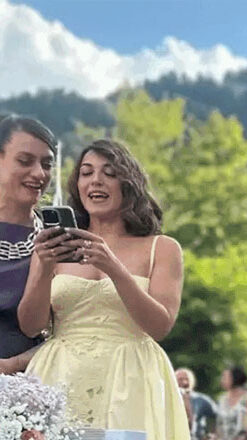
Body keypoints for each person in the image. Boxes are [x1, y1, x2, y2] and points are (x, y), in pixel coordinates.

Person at [18, 139, 189, 439]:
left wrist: (114, 268)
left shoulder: (162, 248)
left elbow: (160, 326)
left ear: (129, 184)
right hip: (60, 376)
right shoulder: (53, 246)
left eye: (109, 173)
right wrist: (43, 268)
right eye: (86, 173)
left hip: (131, 378)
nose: (96, 180)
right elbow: (31, 326)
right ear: (78, 185)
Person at [0, 115, 56, 374]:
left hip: (33, 380)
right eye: (25, 161)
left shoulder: (59, 238)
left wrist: (12, 365)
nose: (39, 174)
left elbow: (74, 331)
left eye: (47, 164)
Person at [216, 366, 247, 440]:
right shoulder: (222, 399)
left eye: (225, 377)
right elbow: (220, 424)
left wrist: (246, 434)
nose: (222, 380)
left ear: (235, 378)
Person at [176, 367, 219, 440]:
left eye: (187, 379)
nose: (184, 382)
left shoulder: (201, 400)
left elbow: (220, 415)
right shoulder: (166, 400)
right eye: (180, 379)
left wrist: (213, 434)